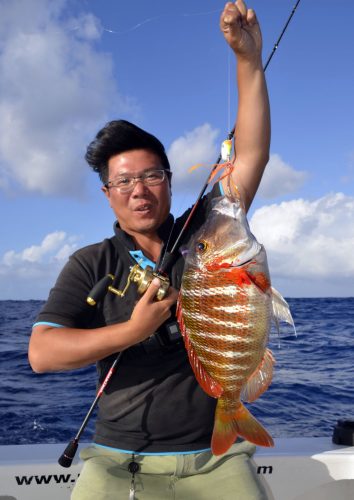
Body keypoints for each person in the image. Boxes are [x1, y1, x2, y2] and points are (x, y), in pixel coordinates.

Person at [28, 1, 271, 499]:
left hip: (214, 457)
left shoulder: (208, 230)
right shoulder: (91, 262)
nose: (139, 190)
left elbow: (250, 156)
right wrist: (133, 330)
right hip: (118, 459)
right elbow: (41, 354)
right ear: (107, 193)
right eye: (124, 181)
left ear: (169, 180)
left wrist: (247, 60)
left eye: (151, 176)